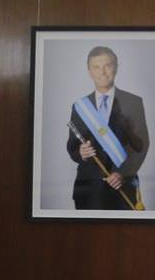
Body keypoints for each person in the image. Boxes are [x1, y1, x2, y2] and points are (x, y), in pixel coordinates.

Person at [64, 44, 150, 211]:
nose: (102, 72)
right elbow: (72, 146)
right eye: (96, 67)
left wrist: (122, 173)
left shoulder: (133, 102)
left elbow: (141, 145)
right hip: (89, 190)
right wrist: (80, 152)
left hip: (123, 187)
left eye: (107, 66)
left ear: (116, 67)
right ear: (89, 71)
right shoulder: (80, 106)